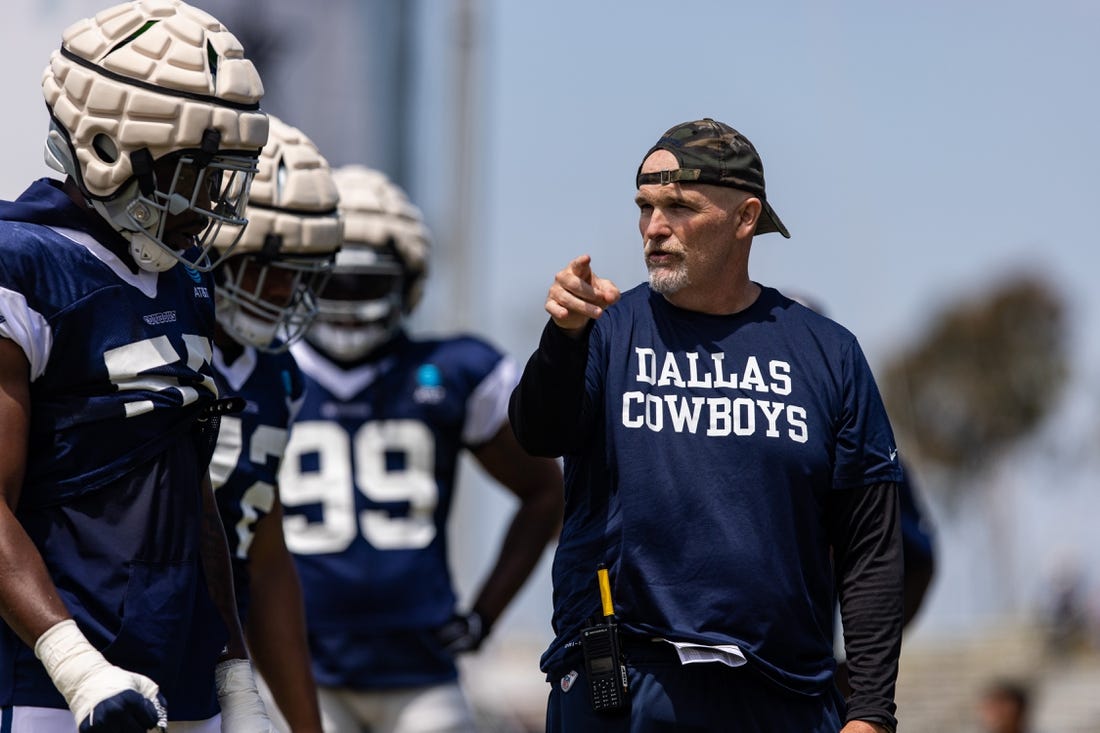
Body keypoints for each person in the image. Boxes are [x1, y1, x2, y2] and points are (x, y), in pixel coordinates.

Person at [509, 118, 904, 733]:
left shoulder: (829, 353)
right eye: (645, 207)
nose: (654, 228)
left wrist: (874, 712)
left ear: (745, 218)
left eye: (679, 206)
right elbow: (539, 432)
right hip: (624, 682)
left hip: (783, 692)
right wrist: (562, 340)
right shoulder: (607, 331)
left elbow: (870, 546)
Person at [0, 1, 274, 731]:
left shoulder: (185, 282)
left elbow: (192, 492)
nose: (209, 206)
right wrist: (75, 666)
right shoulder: (22, 263)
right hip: (51, 683)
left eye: (226, 178)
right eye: (193, 174)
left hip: (178, 675)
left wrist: (233, 669)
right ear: (103, 147)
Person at [277, 165, 565, 733]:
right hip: (296, 663)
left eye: (367, 283)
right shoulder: (265, 371)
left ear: (406, 283)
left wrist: (484, 616)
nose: (348, 300)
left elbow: (546, 494)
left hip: (420, 671)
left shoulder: (452, 371)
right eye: (332, 282)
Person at [208, 115, 344, 733]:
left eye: (303, 269)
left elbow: (262, 552)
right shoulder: (156, 331)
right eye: (272, 264)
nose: (287, 289)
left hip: (212, 653)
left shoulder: (280, 376)